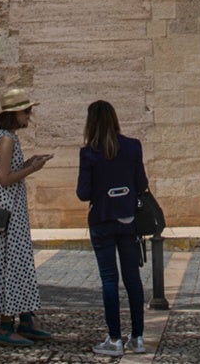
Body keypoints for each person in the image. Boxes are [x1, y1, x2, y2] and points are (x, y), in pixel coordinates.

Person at [0, 87, 53, 347]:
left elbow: (8, 171)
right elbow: (4, 178)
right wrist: (32, 168)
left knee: (19, 263)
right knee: (10, 265)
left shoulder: (8, 137)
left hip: (14, 209)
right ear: (15, 113)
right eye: (26, 111)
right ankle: (7, 325)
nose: (29, 116)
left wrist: (28, 163)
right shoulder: (6, 139)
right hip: (8, 211)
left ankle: (25, 319)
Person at [76, 99, 150, 357]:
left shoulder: (89, 153)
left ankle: (115, 338)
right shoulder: (132, 147)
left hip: (102, 220)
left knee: (109, 279)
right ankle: (138, 337)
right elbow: (141, 183)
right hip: (128, 220)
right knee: (133, 278)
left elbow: (83, 193)